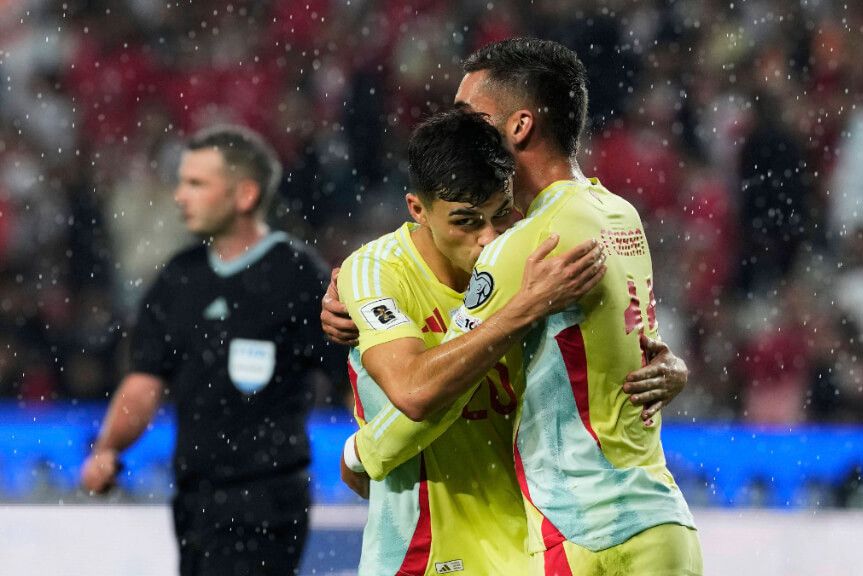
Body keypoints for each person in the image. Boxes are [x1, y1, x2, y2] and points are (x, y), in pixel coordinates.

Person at [339, 39, 703, 575]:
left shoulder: (524, 247)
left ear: (519, 126)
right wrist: (672, 368)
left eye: (471, 115)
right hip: (660, 520)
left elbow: (421, 392)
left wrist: (359, 454)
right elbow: (627, 341)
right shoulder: (619, 213)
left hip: (581, 535)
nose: (458, 127)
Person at [335, 105, 608, 574]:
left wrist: (666, 369)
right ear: (417, 209)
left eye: (500, 214)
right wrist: (523, 311)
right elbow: (414, 392)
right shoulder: (374, 270)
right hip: (419, 557)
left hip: (529, 552)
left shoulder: (531, 257)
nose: (487, 239)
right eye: (465, 222)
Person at [80, 125, 342, 576]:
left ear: (244, 194)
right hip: (194, 497)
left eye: (196, 183)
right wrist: (107, 449)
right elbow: (144, 380)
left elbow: (350, 373)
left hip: (268, 499)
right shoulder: (178, 279)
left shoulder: (297, 276)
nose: (180, 195)